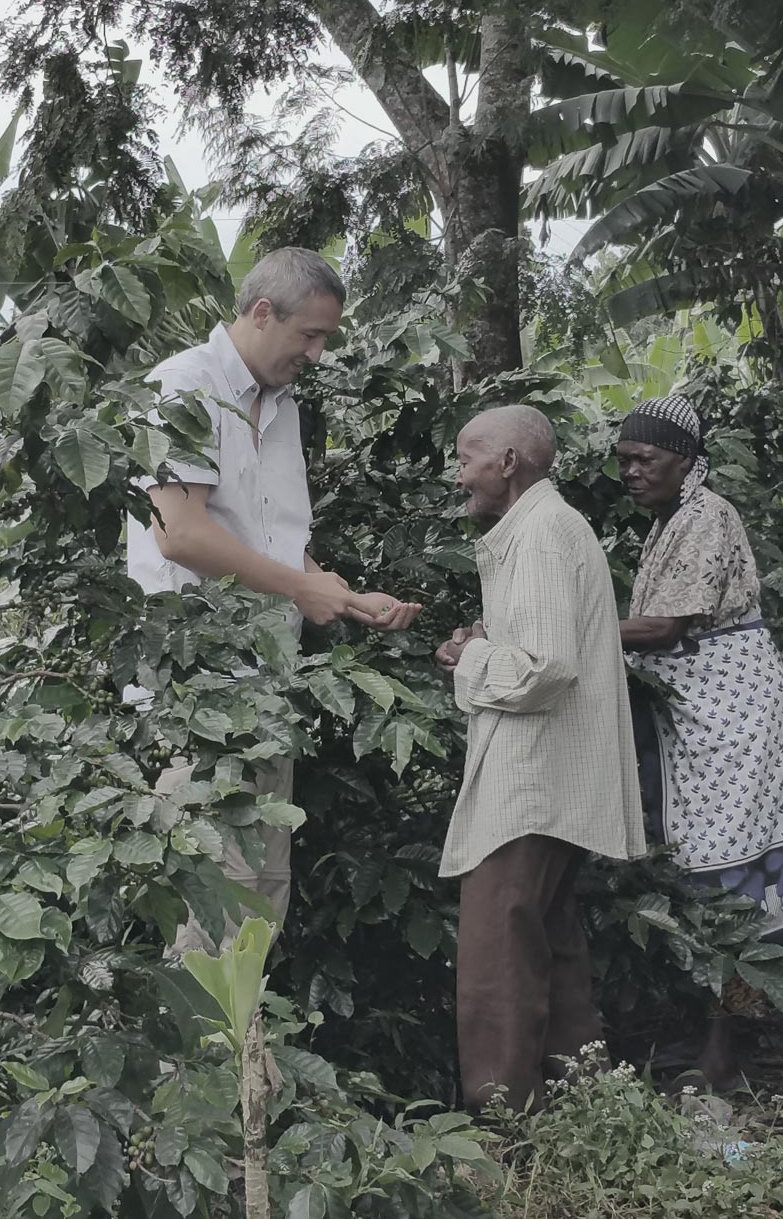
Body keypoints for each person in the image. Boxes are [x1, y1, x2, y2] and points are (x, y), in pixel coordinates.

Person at [128, 247, 421, 955]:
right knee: (210, 896)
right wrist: (300, 587)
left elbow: (271, 540)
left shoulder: (281, 406)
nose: (317, 355)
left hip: (267, 686)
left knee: (263, 893)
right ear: (263, 313)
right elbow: (180, 533)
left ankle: (247, 1059)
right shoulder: (182, 386)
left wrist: (344, 597)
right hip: (197, 693)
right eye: (310, 335)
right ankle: (202, 1064)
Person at [614, 394, 783, 1088]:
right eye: (624, 460)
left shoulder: (708, 516)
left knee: (732, 878)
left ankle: (726, 1046)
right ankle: (719, 1034)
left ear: (685, 460)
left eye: (645, 459)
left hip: (735, 716)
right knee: (709, 871)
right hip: (702, 718)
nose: (632, 472)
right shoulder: (668, 520)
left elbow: (671, 625)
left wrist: (561, 628)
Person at [434, 404, 646, 1112]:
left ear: (508, 463)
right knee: (548, 946)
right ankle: (582, 1110)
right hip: (545, 779)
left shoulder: (545, 535)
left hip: (530, 782)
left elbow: (546, 667)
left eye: (467, 456)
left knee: (496, 958)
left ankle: (498, 1132)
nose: (457, 470)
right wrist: (483, 645)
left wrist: (472, 657)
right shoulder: (536, 529)